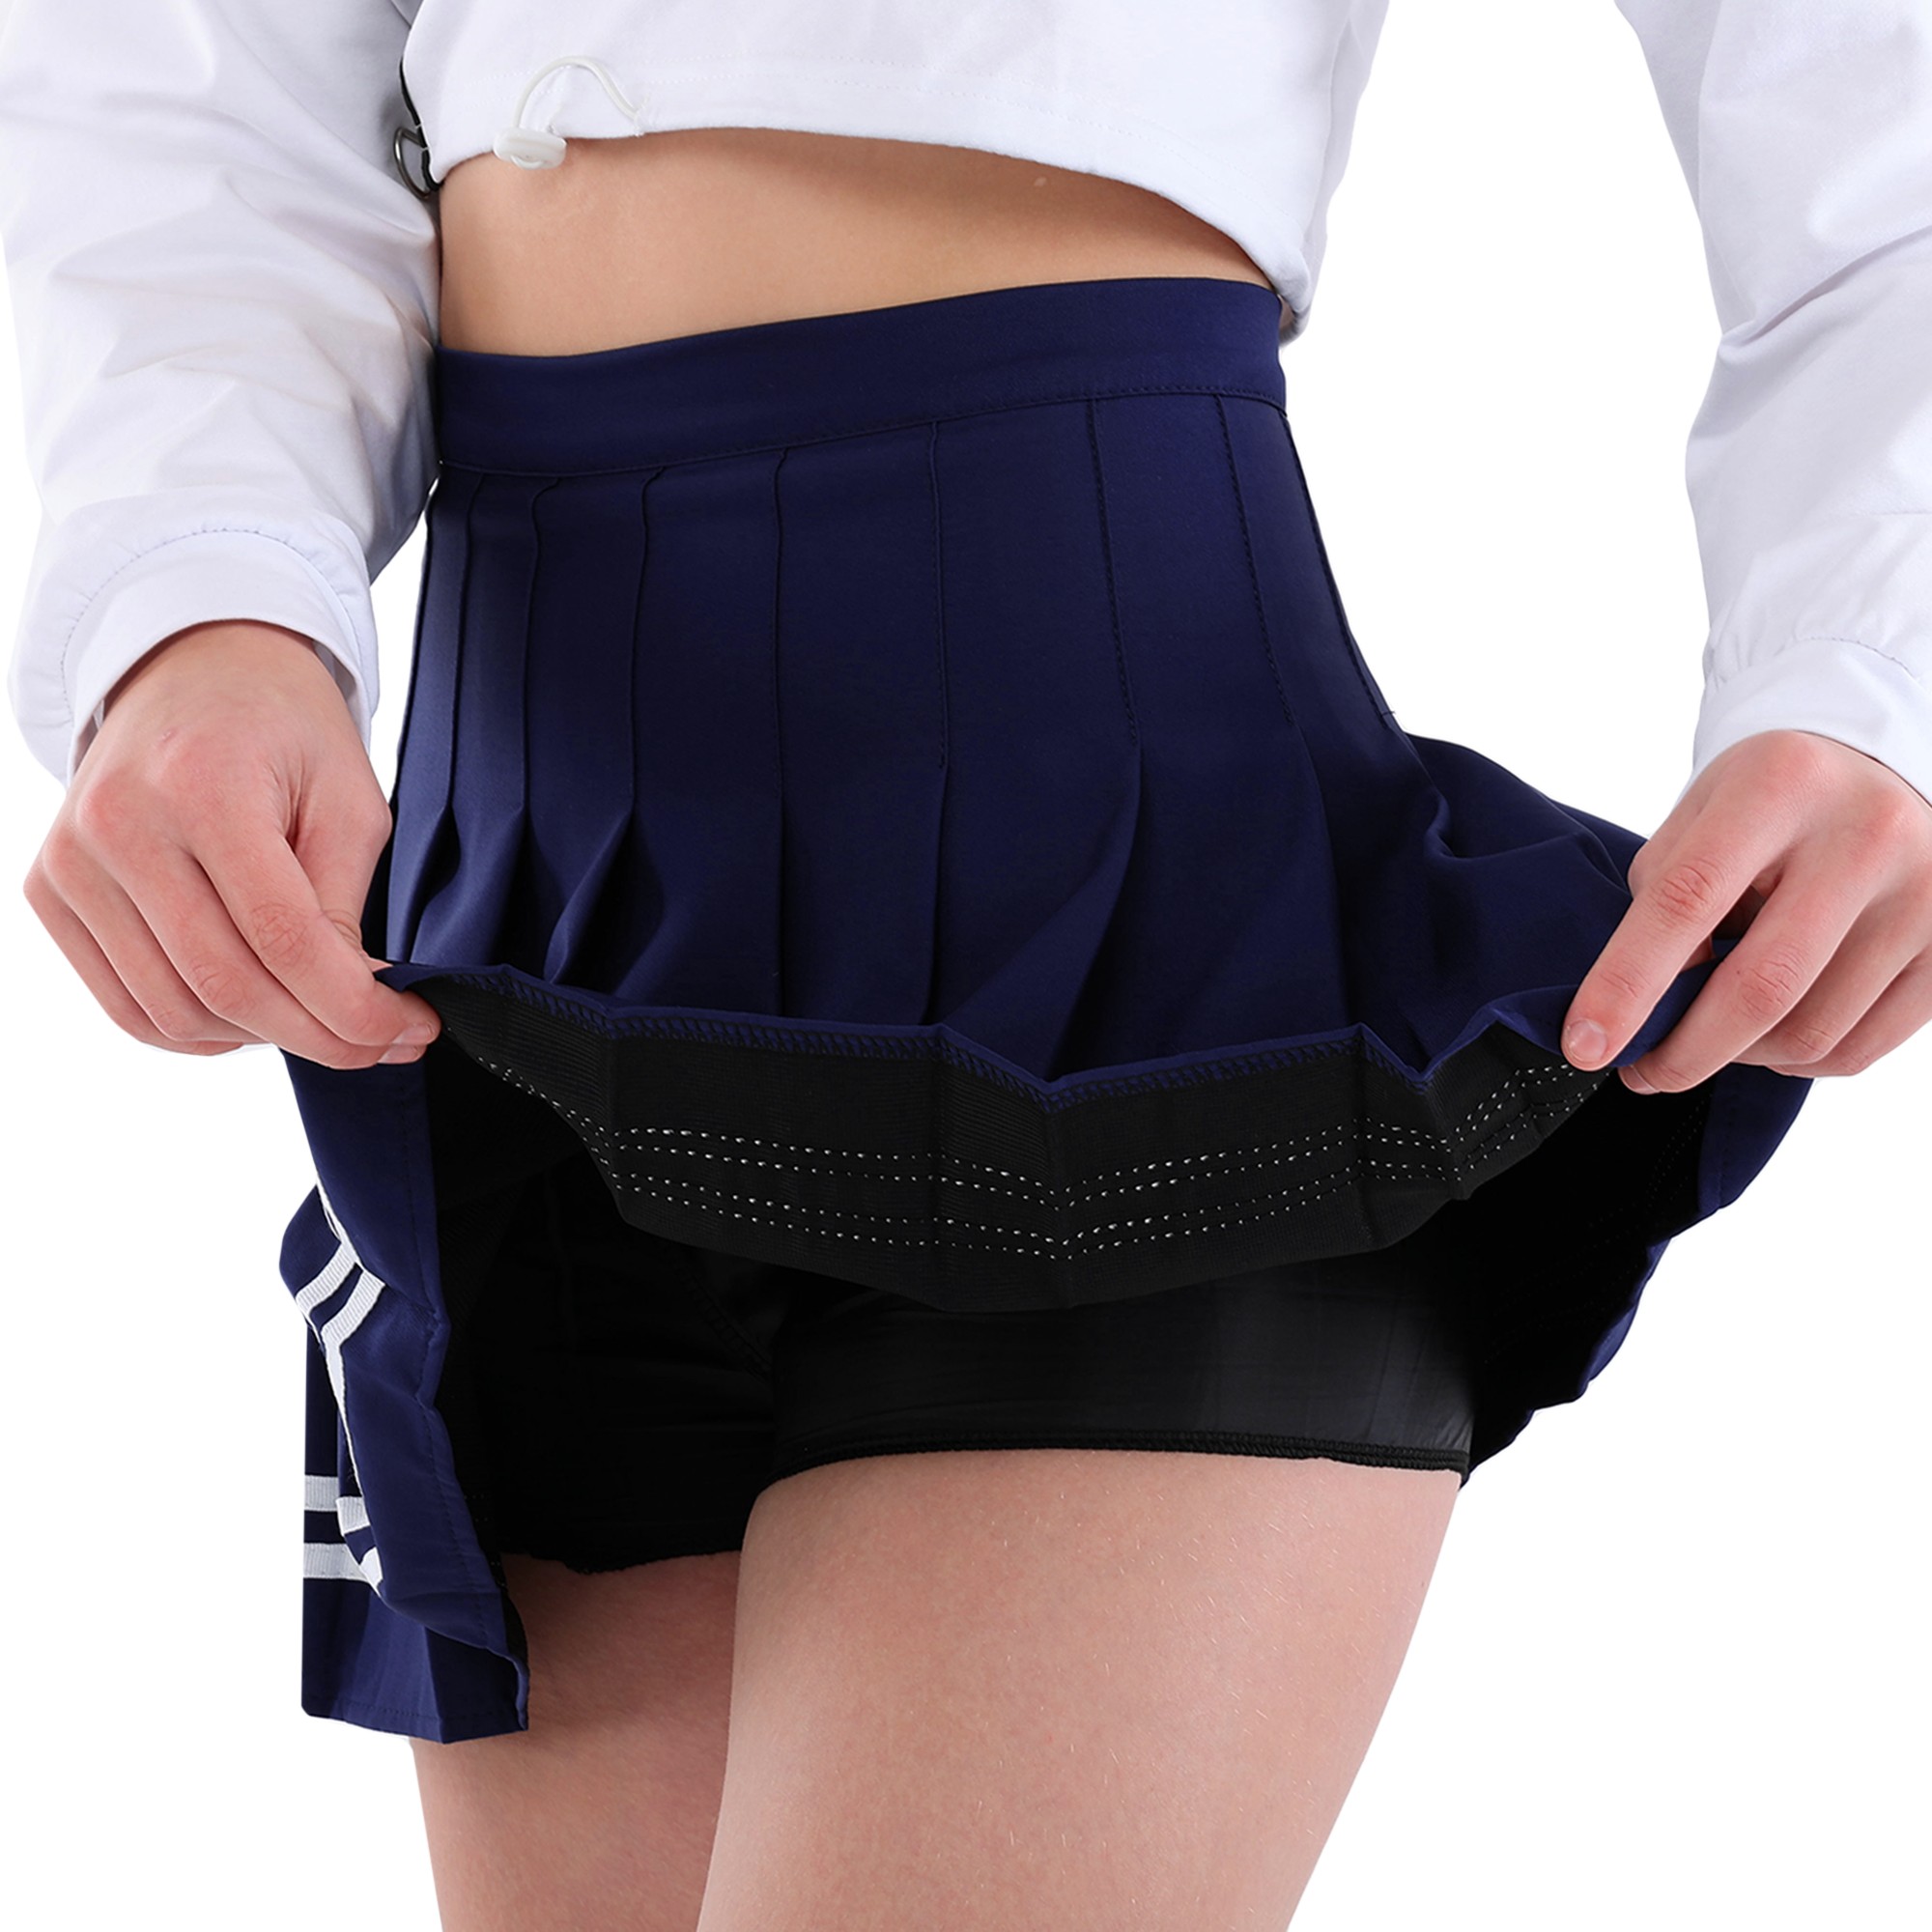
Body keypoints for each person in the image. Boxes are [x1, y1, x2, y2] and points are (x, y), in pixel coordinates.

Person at [2, 5, 1927, 1927]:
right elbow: (196, 64)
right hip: (528, 920)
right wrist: (197, 603)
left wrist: (1873, 655)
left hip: (1120, 911)